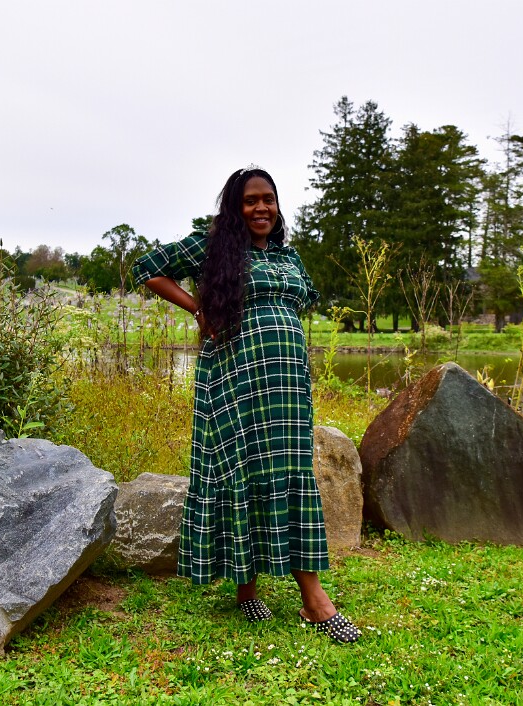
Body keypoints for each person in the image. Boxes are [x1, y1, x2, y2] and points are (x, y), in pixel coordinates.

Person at [132, 166, 360, 643]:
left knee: (287, 474)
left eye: (268, 199)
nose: (261, 208)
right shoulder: (215, 246)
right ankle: (301, 599)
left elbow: (304, 299)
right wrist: (198, 308)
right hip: (234, 379)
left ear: (277, 205)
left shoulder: (288, 257)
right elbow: (148, 267)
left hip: (287, 389)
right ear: (236, 207)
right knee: (242, 468)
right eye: (251, 200)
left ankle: (265, 592)